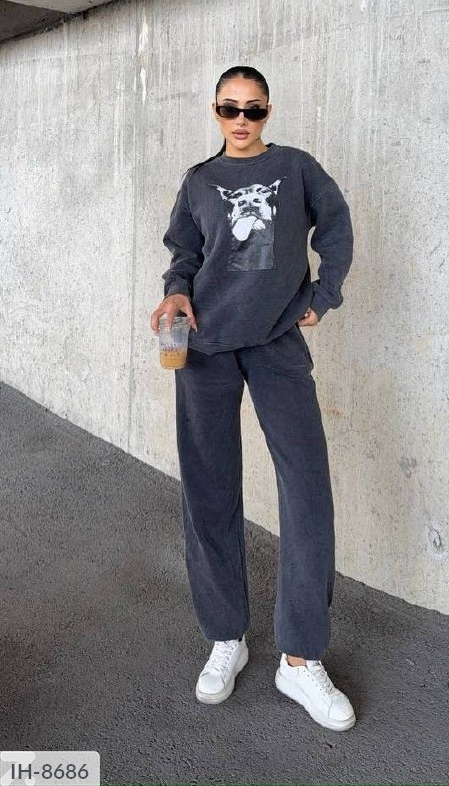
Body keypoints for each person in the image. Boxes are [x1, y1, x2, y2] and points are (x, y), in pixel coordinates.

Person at [150, 66, 355, 731]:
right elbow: (183, 252)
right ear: (215, 110)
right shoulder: (198, 180)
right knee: (209, 491)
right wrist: (176, 293)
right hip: (204, 347)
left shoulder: (295, 169)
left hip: (275, 343)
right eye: (230, 108)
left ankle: (299, 658)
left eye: (254, 108)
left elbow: (336, 226)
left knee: (307, 491)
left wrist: (323, 295)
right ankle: (225, 636)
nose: (241, 120)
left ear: (268, 112)